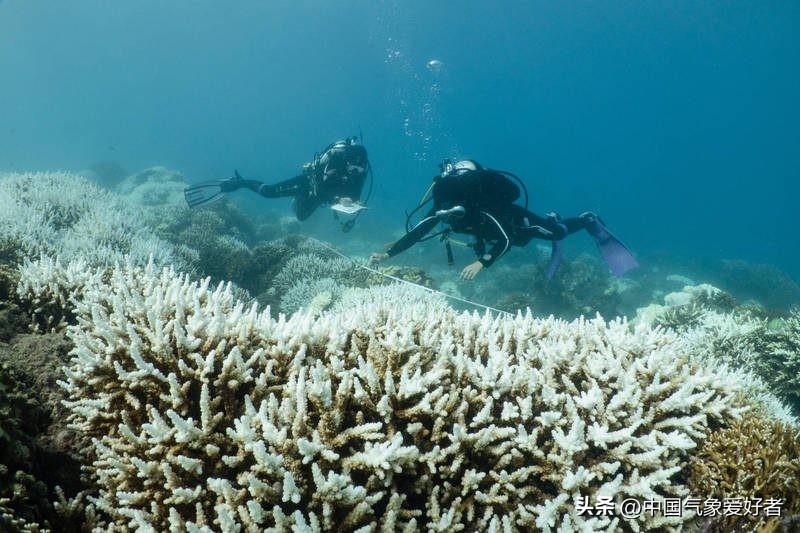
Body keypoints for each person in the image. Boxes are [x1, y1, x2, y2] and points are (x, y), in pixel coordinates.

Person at [370, 159, 638, 280]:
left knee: (554, 233)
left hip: (514, 222)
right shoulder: (443, 206)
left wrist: (480, 263)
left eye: (453, 211)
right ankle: (557, 219)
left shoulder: (480, 208)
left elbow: (506, 239)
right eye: (445, 211)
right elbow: (418, 232)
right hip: (490, 232)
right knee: (526, 242)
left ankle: (586, 218)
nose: (448, 216)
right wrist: (389, 254)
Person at [184, 137, 371, 231]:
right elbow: (323, 186)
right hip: (309, 184)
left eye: (360, 169)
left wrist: (350, 201)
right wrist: (337, 198)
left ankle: (297, 200)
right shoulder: (336, 161)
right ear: (347, 162)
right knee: (268, 192)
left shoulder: (361, 173)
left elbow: (356, 195)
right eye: (354, 168)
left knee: (301, 217)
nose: (357, 172)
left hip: (321, 197)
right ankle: (238, 182)